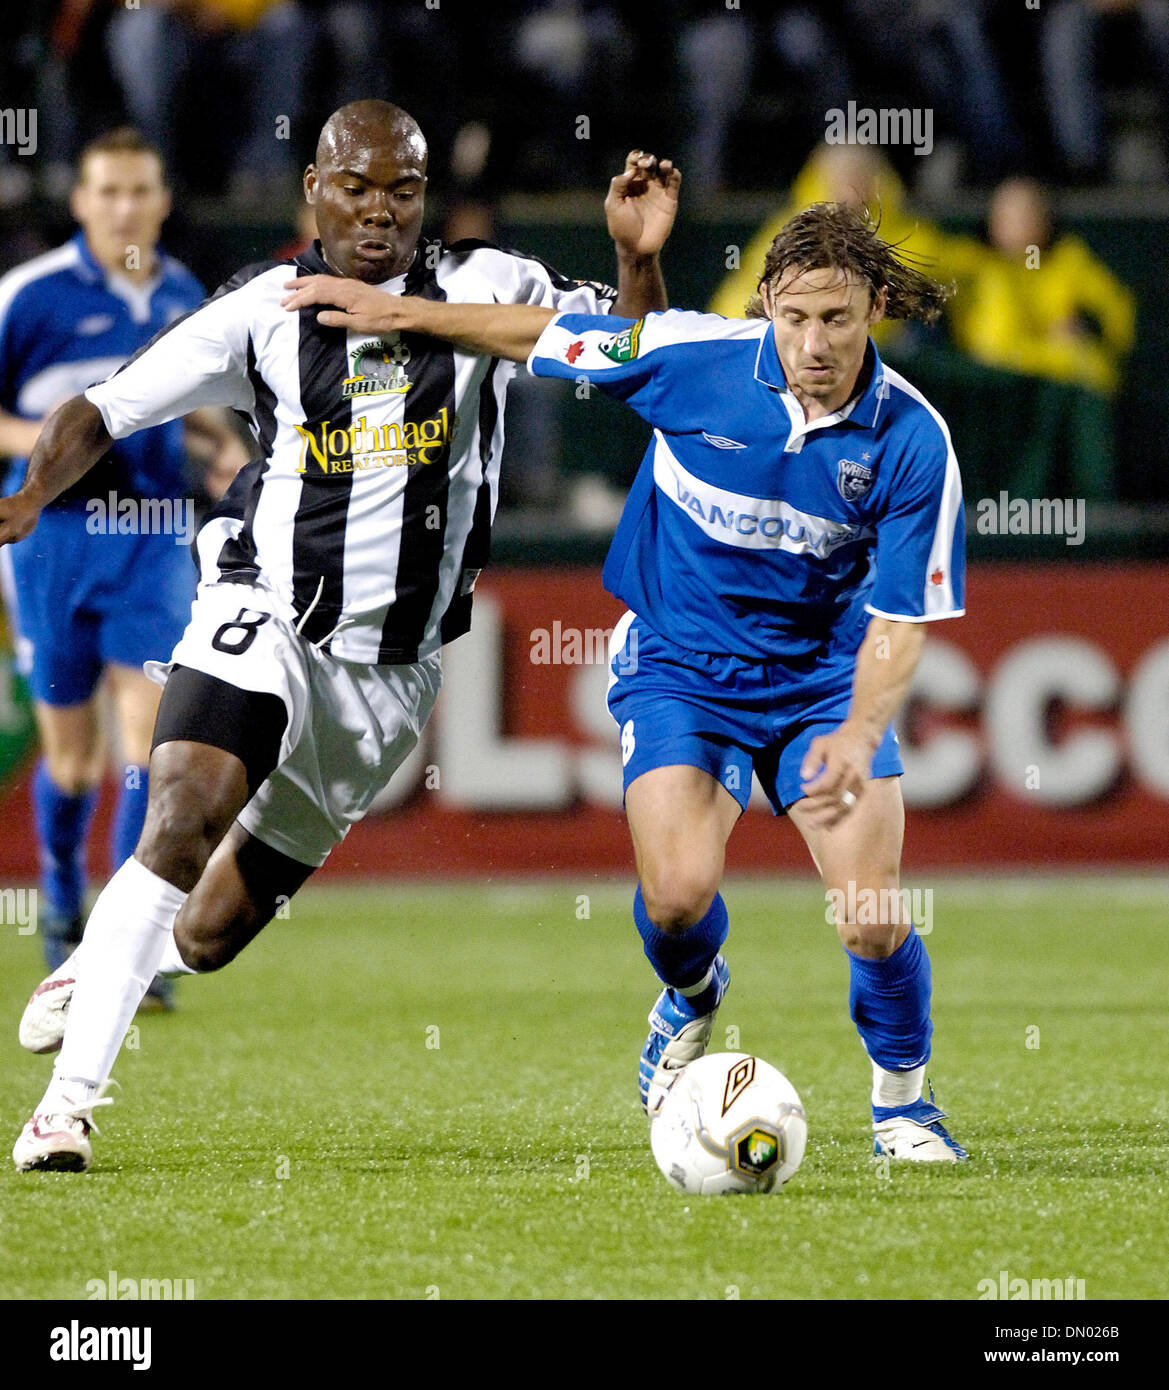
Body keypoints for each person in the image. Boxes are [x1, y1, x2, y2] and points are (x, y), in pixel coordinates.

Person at [2, 99, 679, 1173]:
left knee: (209, 932)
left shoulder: (491, 287)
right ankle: (65, 1108)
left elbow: (633, 361)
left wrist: (634, 259)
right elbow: (106, 406)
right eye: (356, 188)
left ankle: (102, 959)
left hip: (388, 678)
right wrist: (26, 497)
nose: (379, 212)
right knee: (179, 814)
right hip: (262, 605)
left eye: (401, 189)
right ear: (311, 190)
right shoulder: (265, 309)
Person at [282, 199, 969, 1161]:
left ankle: (903, 1105)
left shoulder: (910, 439)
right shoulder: (696, 358)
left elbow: (899, 625)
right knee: (678, 897)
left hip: (822, 681)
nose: (815, 342)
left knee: (871, 917)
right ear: (766, 301)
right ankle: (692, 994)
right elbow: (537, 333)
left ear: (876, 310)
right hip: (683, 668)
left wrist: (857, 734)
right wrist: (399, 314)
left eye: (840, 319)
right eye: (798, 316)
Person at [0, 127, 247, 998]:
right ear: (79, 202)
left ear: (163, 199)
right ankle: (61, 904)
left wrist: (223, 450)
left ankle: (128, 942)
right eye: (107, 192)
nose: (124, 207)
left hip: (152, 535)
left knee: (152, 747)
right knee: (70, 761)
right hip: (55, 545)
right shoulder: (27, 298)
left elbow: (193, 406)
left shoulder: (181, 291)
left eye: (139, 191)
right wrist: (65, 442)